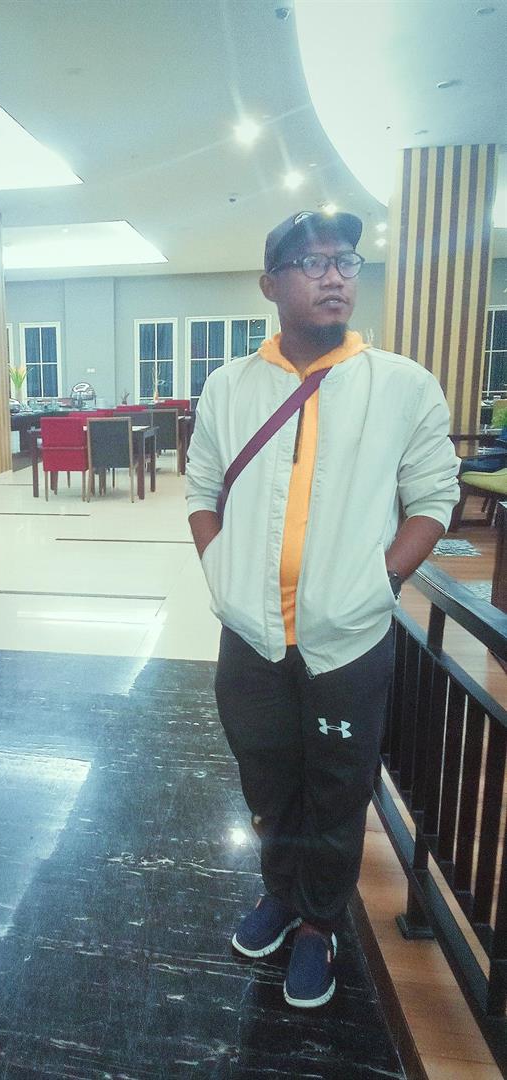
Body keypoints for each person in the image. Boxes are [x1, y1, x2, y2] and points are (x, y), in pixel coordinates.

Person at [185, 210, 459, 1009]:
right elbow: (202, 489)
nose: (335, 275)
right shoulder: (230, 386)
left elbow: (433, 500)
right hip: (252, 636)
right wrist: (221, 570)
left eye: (347, 261)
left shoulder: (401, 384)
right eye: (312, 262)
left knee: (338, 789)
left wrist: (379, 582)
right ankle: (281, 893)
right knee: (268, 781)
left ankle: (319, 924)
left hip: (348, 640)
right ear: (270, 284)